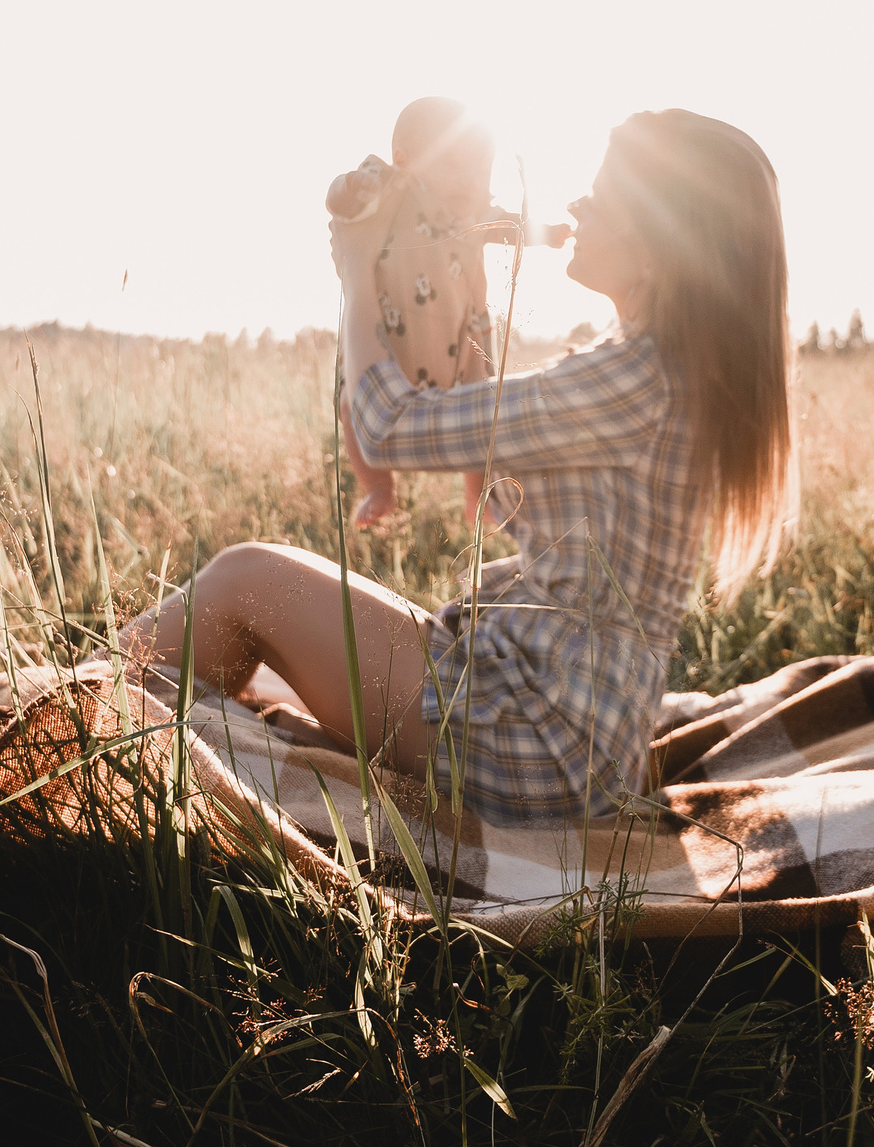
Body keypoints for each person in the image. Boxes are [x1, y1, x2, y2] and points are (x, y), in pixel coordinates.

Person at [119, 109, 796, 824]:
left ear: (663, 242)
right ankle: (120, 733)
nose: (575, 206)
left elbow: (388, 427)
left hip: (540, 737)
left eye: (602, 197)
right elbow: (506, 459)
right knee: (253, 618)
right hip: (568, 727)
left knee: (245, 578)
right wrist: (469, 302)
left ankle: (81, 729)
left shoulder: (634, 378)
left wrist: (356, 274)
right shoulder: (659, 372)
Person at [325, 97, 557, 527]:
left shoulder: (472, 212)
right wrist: (351, 188)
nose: (470, 180)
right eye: (453, 164)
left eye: (480, 169)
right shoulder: (387, 187)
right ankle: (379, 485)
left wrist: (547, 234)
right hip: (387, 336)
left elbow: (511, 225)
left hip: (458, 336)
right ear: (404, 160)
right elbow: (336, 199)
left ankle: (476, 493)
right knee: (351, 407)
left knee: (478, 409)